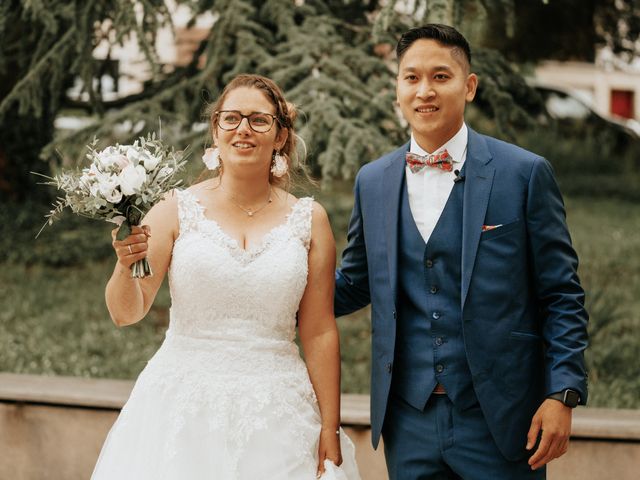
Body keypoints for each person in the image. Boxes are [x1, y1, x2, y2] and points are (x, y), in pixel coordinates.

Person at [334, 24, 589, 479]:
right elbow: (354, 284)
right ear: (396, 89)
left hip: (502, 417)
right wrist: (267, 284)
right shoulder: (372, 181)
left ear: (468, 86)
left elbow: (561, 294)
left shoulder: (524, 173)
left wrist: (562, 393)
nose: (424, 91)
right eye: (411, 78)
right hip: (407, 418)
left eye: (440, 76)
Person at [92, 74, 361, 480]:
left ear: (280, 135)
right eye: (231, 118)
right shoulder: (174, 209)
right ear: (215, 131)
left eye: (258, 120)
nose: (243, 130)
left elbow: (320, 330)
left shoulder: (310, 220)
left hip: (278, 414)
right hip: (181, 410)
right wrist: (124, 263)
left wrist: (329, 426)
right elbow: (125, 313)